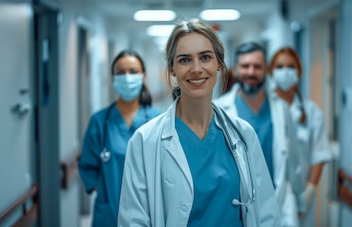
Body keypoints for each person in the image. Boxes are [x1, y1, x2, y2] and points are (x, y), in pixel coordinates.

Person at [118, 19, 280, 226]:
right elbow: (133, 221)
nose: (196, 68)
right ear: (172, 69)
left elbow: (267, 214)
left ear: (219, 64)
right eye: (185, 60)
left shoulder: (244, 135)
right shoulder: (144, 141)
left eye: (205, 57)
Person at [215, 42, 303, 227]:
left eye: (257, 66)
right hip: (235, 206)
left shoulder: (281, 108)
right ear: (235, 70)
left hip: (277, 202)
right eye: (245, 66)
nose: (251, 72)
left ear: (265, 70)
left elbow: (293, 160)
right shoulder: (220, 109)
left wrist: (299, 199)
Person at [78, 50, 161, 227]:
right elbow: (87, 166)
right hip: (109, 212)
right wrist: (104, 191)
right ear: (113, 78)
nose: (127, 77)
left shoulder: (158, 121)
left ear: (143, 76)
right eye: (120, 72)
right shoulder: (100, 121)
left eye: (133, 71)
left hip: (149, 211)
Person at [268, 47, 334, 225]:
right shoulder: (264, 109)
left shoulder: (312, 112)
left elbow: (319, 154)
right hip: (268, 193)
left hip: (300, 193)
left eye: (291, 66)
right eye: (279, 67)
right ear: (270, 71)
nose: (285, 71)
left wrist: (310, 190)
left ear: (299, 71)